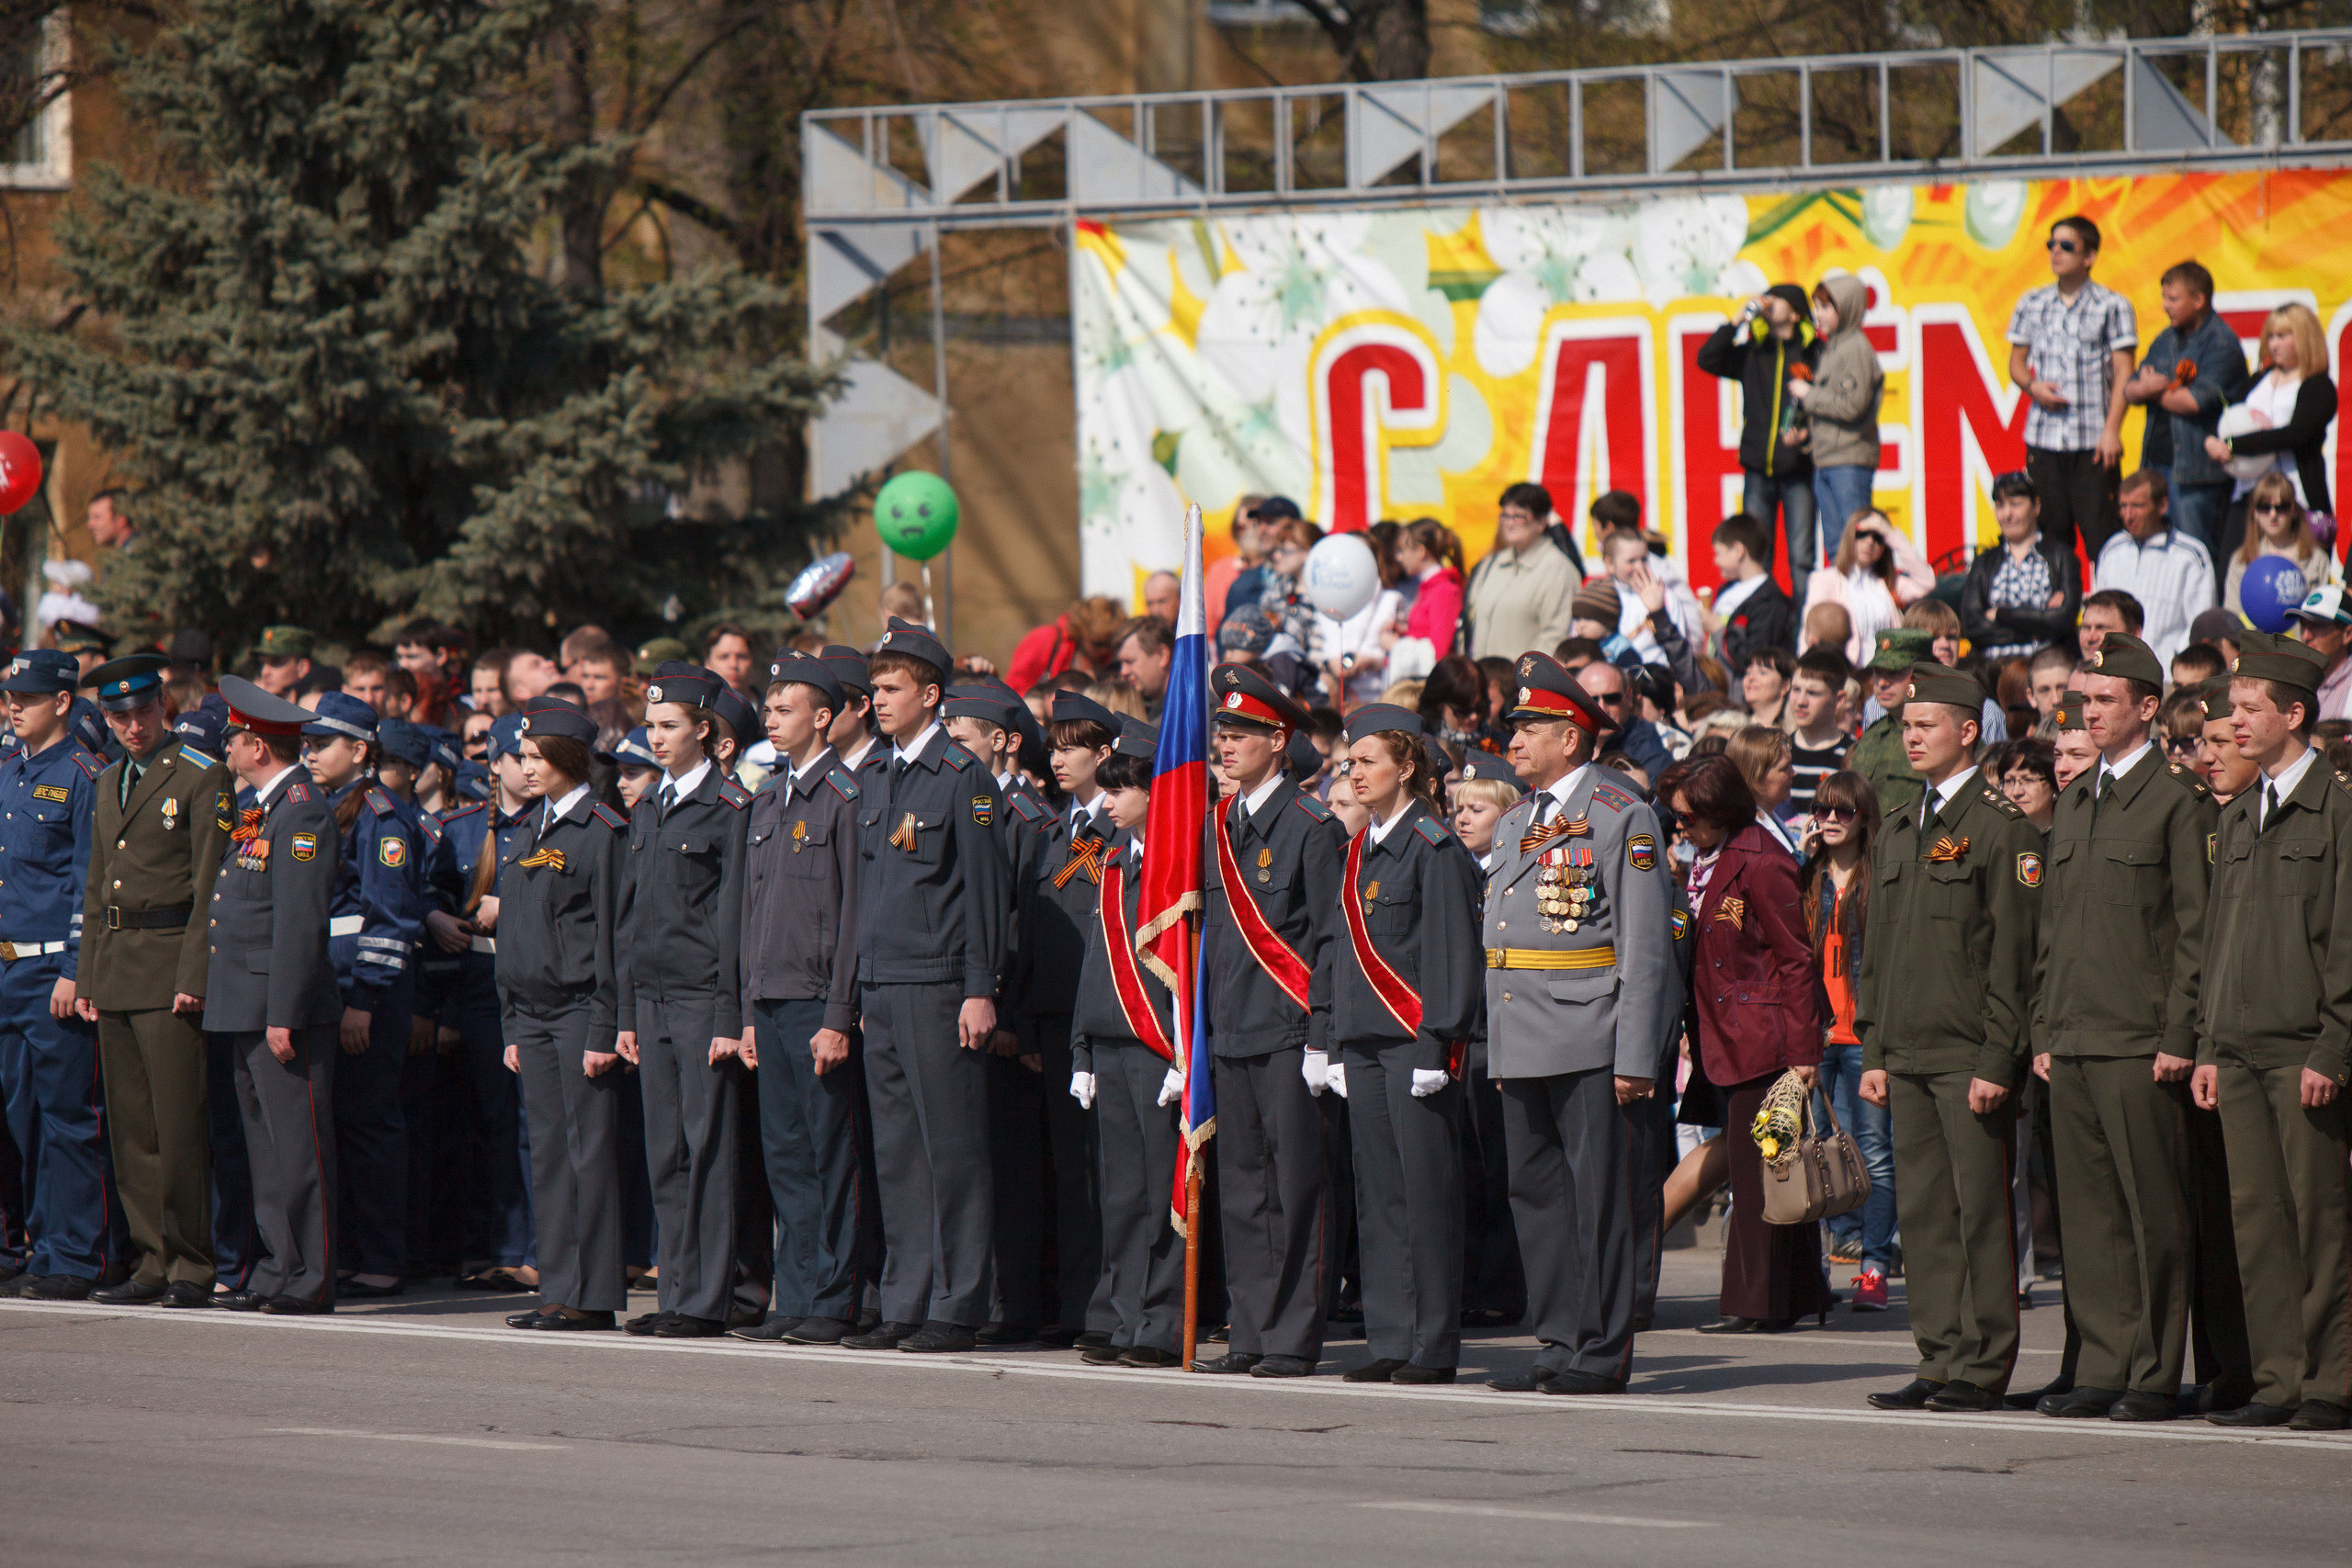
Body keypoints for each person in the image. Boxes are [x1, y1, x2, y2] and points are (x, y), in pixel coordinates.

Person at [2031, 632, 2216, 1423]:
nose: (2090, 713)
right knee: (2091, 1217)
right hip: (2072, 1038)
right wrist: (2044, 1027)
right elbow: (2052, 931)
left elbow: (2194, 930)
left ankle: (2151, 1370)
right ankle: (2102, 1365)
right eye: (2084, 700)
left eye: (2106, 700)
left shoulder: (2177, 801)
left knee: (2154, 1214)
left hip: (2140, 1040)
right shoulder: (2075, 799)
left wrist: (2180, 1032)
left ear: (2147, 707)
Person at [1480, 654, 1675, 1395]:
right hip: (1522, 1035)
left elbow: (1645, 951)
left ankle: (1601, 1348)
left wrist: (1636, 1056)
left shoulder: (1621, 815)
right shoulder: (1512, 823)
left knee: (1599, 1203)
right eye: (1516, 724)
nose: (1517, 736)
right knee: (1538, 1200)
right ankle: (1559, 1338)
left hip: (1591, 1036)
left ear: (1571, 735)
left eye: (1530, 725)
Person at [1856, 662, 2041, 1413]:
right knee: (1925, 1215)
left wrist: (2000, 1056)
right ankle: (1938, 1354)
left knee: (1980, 1213)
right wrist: (1874, 1048)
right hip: (1906, 1051)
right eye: (1906, 726)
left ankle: (1984, 1360)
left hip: (1970, 1054)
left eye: (1925, 724)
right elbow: (1880, 950)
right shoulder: (1900, 827)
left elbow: (2016, 955)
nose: (1912, 737)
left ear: (1969, 731)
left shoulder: (2002, 829)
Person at [2193, 631, 2352, 1429]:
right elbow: (2221, 936)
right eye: (2233, 708)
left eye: (2251, 709)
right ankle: (2280, 1378)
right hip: (2244, 1049)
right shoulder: (2243, 812)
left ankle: (2332, 1382)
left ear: (2295, 713)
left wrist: (2335, 1043)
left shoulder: (2338, 808)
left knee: (2320, 1221)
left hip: (2303, 1050)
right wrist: (2213, 1042)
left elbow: (2348, 941)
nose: (2236, 722)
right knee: (2258, 1221)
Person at [846, 620, 1009, 1355]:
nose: (877, 700)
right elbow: (861, 895)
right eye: (875, 688)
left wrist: (981, 986)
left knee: (954, 1152)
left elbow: (983, 890)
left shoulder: (961, 777)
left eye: (890, 688)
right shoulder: (874, 776)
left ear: (930, 694)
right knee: (899, 1155)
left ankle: (958, 1301)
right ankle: (905, 1299)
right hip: (881, 984)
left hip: (940, 985)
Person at [1193, 662, 1346, 1379]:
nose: (1226, 744)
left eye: (1243, 733)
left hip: (1289, 1033)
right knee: (1244, 1191)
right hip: (1231, 1029)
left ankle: (1292, 1333)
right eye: (1222, 732)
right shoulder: (1218, 823)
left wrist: (1322, 1035)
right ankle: (1251, 1329)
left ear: (1278, 740)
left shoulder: (1313, 826)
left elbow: (1329, 942)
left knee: (1295, 1190)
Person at [1329, 704, 1481, 1384]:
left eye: (1366, 761)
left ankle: (1433, 1342)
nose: (1353, 773)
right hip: (1362, 1042)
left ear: (1407, 766)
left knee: (1425, 1195)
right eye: (1349, 761)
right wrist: (1330, 1037)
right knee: (1380, 1194)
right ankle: (1389, 1334)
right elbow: (1339, 952)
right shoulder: (1360, 845)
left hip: (1412, 1045)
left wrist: (1438, 1043)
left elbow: (1452, 955)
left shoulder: (1433, 847)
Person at [74, 655, 230, 1308]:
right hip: (117, 968)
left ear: (162, 706)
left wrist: (194, 974)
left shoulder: (200, 775)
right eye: (117, 716)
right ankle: (150, 1258)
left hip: (170, 968)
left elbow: (209, 888)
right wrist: (87, 973)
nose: (132, 726)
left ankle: (191, 1263)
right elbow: (94, 883)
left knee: (178, 1126)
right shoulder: (108, 781)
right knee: (133, 1129)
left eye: (141, 712)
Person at [729, 653, 876, 1347]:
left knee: (830, 1154)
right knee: (785, 1154)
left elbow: (853, 917)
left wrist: (838, 1014)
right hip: (772, 1000)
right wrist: (749, 1010)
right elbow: (754, 912)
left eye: (784, 708)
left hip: (819, 1003)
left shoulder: (846, 798)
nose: (771, 719)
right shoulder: (766, 798)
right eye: (769, 708)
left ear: (823, 716)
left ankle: (836, 1296)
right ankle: (796, 1293)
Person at [1657, 750, 1829, 1334]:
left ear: (1721, 811)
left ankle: (1760, 1302)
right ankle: (1799, 1292)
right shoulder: (1713, 857)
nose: (1683, 827)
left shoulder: (1761, 861)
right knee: (1772, 1165)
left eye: (1690, 817)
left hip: (1763, 1039)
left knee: (1764, 1171)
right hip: (1724, 1035)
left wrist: (1803, 1053)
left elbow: (1796, 959)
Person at [616, 662, 752, 1339]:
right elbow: (630, 920)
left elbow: (732, 924)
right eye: (650, 726)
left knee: (708, 1150)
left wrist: (730, 1015)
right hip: (653, 1001)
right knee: (665, 1149)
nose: (658, 737)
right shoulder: (649, 806)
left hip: (703, 999)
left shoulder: (729, 809)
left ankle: (707, 1297)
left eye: (670, 726)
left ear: (705, 730)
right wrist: (625, 1015)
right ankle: (675, 1289)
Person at [205, 676, 343, 1313]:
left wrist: (284, 1012)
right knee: (265, 1148)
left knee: (299, 1149)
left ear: (257, 745)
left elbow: (300, 922)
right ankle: (277, 1266)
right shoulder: (264, 805)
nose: (227, 746)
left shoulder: (304, 809)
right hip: (245, 1001)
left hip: (280, 1009)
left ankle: (309, 1275)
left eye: (234, 737)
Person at [494, 698, 629, 1332]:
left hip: (580, 1010)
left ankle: (592, 1292)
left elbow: (610, 937)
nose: (523, 768)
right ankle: (557, 1286)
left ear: (565, 759)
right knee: (548, 1153)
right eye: (522, 757)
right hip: (536, 1014)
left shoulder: (602, 829)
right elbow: (515, 934)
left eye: (532, 757)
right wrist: (512, 1024)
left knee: (588, 1152)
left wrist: (604, 1026)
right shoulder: (528, 827)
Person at [297, 693, 435, 1301]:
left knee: (371, 1123)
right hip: (328, 978)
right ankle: (350, 1248)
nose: (310, 753)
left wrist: (366, 1000)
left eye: (322, 744)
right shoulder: (323, 804)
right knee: (338, 1123)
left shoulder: (383, 816)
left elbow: (391, 919)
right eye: (307, 743)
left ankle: (383, 1253)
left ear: (359, 750)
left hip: (363, 987)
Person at [1066, 720, 1183, 1366]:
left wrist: (1185, 1056)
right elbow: (1094, 964)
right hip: (1110, 1046)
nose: (1107, 801)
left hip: (1158, 1050)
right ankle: (1125, 1314)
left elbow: (1189, 968)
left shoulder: (1175, 868)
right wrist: (1081, 1050)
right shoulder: (1113, 862)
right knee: (1121, 1191)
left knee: (1161, 1191)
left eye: (1120, 788)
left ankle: (1161, 1321)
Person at [0, 651, 111, 1300]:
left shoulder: (83, 776)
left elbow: (88, 887)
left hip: (50, 971)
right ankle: (40, 1245)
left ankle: (77, 1254)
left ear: (63, 701)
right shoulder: (9, 772)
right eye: (11, 695)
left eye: (30, 696)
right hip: (8, 966)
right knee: (21, 1118)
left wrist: (75, 969)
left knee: (68, 1117)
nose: (15, 706)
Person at [1795, 769, 1896, 1303]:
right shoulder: (1806, 877)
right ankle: (1829, 1266)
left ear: (1864, 819)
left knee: (1874, 1153)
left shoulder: (1880, 877)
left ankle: (1874, 1268)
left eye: (1843, 812)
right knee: (1822, 1155)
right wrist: (1799, 859)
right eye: (1822, 810)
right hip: (1817, 1038)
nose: (1830, 819)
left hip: (1863, 1039)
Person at [2006, 214, 2136, 558]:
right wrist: (2032, 387)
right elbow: (2016, 364)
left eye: (2066, 246)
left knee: (2103, 536)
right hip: (2044, 439)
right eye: (2052, 245)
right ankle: (2059, 609)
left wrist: (2112, 431)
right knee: (2051, 537)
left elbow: (2125, 372)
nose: (2056, 252)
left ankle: (2107, 607)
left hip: (2092, 440)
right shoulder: (2031, 302)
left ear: (2089, 256)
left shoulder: (2113, 305)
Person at [1448, 768, 1523, 1326]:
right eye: (1460, 807)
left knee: (1500, 1170)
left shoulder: (1513, 870)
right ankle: (1467, 1282)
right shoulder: (1454, 869)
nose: (1463, 817)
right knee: (1464, 1173)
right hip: (1461, 1037)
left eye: (1478, 808)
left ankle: (1500, 1288)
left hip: (1500, 1035)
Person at [2123, 260, 2249, 558]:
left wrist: (2152, 388)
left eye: (2173, 298)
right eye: (2164, 297)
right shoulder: (2166, 339)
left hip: (2195, 476)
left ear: (2198, 299)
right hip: (2154, 466)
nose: (2165, 306)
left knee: (2195, 552)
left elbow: (2194, 402)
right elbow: (2130, 389)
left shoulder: (2221, 344)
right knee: (2153, 550)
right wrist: (2151, 388)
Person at [1696, 284, 1818, 581]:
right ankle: (1762, 622)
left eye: (1778, 299)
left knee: (1801, 557)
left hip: (1798, 470)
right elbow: (1707, 358)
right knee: (1755, 556)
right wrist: (1738, 320)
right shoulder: (1754, 351)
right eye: (1768, 297)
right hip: (1757, 472)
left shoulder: (1813, 353)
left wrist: (1807, 438)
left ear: (1795, 313)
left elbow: (1829, 404)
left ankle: (1803, 625)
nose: (1769, 303)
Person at [2210, 302, 2337, 551]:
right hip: (2248, 495)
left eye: (2282, 336)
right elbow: (2230, 417)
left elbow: (2294, 435)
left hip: (2296, 498)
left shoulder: (2318, 387)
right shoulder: (2258, 381)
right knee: (2231, 572)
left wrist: (2235, 445)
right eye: (2271, 336)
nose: (2274, 344)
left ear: (2303, 338)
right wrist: (2212, 442)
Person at [1788, 275, 1882, 561]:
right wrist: (1805, 437)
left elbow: (1852, 406)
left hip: (1849, 460)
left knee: (1856, 545)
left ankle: (1862, 604)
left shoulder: (1855, 348)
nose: (1819, 314)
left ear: (1849, 308)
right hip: (1827, 458)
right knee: (1835, 547)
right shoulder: (1834, 346)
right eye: (1817, 306)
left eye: (1827, 307)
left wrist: (1808, 394)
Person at [1960, 472, 2086, 662]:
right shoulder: (1984, 563)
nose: (2007, 514)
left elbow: (2064, 619)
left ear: (2036, 506)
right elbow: (1972, 626)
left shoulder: (2062, 557)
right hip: (1994, 672)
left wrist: (2000, 614)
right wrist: (2039, 624)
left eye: (2016, 504)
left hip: (2048, 670)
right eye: (2000, 505)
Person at [2096, 472, 2215, 667]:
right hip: (2116, 672)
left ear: (2162, 506)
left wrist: (2175, 663)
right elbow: (2099, 614)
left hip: (2166, 677)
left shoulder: (2191, 555)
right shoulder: (2111, 550)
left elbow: (2200, 622)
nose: (2128, 515)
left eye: (2137, 506)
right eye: (2123, 506)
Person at [1464, 483, 1579, 660]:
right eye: (1505, 516)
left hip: (1522, 684)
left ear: (1541, 522)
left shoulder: (1559, 569)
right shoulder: (1491, 564)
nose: (1509, 523)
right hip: (1482, 680)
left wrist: (1523, 677)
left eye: (1519, 516)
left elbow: (1555, 636)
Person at [1802, 509, 1931, 667]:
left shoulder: (1887, 583)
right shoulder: (1825, 579)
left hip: (1886, 675)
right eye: (1862, 534)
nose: (1870, 542)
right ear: (1850, 536)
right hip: (1847, 676)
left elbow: (1926, 582)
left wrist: (1891, 534)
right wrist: (1805, 670)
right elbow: (1810, 630)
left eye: (1878, 537)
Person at [2223, 470, 2338, 623]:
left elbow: (2323, 618)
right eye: (2264, 507)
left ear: (2294, 511)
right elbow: (2232, 617)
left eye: (2281, 507)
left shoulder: (2317, 558)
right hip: (2255, 644)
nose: (2273, 515)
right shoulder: (2240, 559)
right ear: (2254, 513)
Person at [1849, 628, 1933, 814]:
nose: (1883, 683)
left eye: (1894, 672)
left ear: (1922, 674)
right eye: (1878, 673)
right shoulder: (1872, 736)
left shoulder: (1946, 737)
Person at [1710, 513, 1795, 669]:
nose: (1715, 561)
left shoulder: (1771, 602)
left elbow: (1753, 658)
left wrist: (1718, 630)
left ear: (1738, 551)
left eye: (1718, 553)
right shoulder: (1725, 591)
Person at [1006, 596, 1125, 695]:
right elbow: (1014, 687)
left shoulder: (1111, 660)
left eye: (1110, 645)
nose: (1104, 651)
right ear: (1081, 630)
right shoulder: (1045, 638)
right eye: (1098, 644)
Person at [1786, 649, 1851, 816]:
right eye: (1796, 689)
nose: (1801, 702)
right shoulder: (1780, 751)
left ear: (1839, 699)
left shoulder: (1851, 754)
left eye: (1813, 693)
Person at [1115, 615, 1173, 722]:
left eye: (1129, 661)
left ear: (1162, 655)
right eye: (1121, 663)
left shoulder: (1194, 711)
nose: (1123, 671)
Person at [1996, 739, 2059, 833]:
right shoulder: (1996, 838)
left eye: (2029, 780)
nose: (2016, 792)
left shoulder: (2068, 837)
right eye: (2009, 781)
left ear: (2053, 784)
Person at [253, 626, 314, 699]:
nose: (264, 672)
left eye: (276, 662)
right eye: (262, 664)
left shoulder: (317, 707)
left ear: (302, 668)